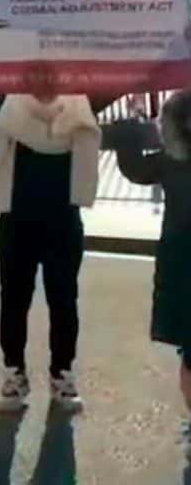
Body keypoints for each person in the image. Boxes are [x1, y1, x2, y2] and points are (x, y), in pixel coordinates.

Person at [0, 89, 101, 414]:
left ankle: (62, 376)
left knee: (64, 301)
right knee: (13, 301)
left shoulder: (79, 105)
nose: (44, 80)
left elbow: (127, 75)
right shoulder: (9, 106)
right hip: (17, 220)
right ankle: (14, 375)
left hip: (62, 219)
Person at [114, 91, 191, 461]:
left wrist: (129, 126)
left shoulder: (169, 161)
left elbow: (134, 169)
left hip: (181, 262)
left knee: (190, 353)